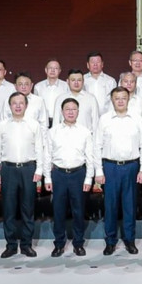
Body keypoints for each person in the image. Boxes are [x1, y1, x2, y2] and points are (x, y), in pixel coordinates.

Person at [93, 86, 142, 256]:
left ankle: (129, 240)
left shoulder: (136, 118)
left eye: (123, 98)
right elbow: (97, 146)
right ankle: (110, 241)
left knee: (129, 205)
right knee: (110, 206)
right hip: (110, 167)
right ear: (112, 100)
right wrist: (99, 171)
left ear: (128, 99)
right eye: (117, 98)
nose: (120, 101)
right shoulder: (104, 119)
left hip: (131, 166)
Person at [0, 92, 43, 259]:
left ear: (26, 105)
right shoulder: (2, 126)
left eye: (21, 103)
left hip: (28, 169)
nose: (18, 106)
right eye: (14, 103)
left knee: (28, 209)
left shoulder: (34, 124)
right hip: (8, 170)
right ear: (10, 106)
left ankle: (27, 245)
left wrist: (39, 170)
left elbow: (39, 148)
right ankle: (11, 245)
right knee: (9, 209)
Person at [47, 97, 95, 257]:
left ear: (78, 112)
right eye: (67, 109)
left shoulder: (85, 132)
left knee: (79, 211)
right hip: (58, 174)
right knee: (58, 211)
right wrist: (47, 178)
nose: (70, 112)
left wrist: (89, 178)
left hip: (78, 174)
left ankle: (78, 243)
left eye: (74, 109)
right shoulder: (53, 132)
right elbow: (47, 156)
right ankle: (59, 244)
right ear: (62, 112)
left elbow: (90, 157)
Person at [34, 60, 70, 125]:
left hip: (60, 121)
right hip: (42, 122)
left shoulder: (66, 86)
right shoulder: (38, 87)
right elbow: (36, 106)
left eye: (56, 68)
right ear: (46, 70)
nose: (53, 70)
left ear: (59, 71)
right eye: (50, 68)